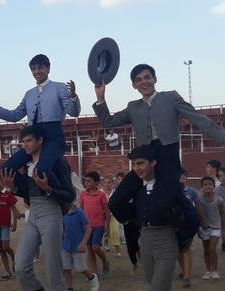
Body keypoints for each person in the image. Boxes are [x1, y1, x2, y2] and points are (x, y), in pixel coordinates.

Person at [93, 63, 225, 250]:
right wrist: (100, 97)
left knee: (165, 202)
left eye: (147, 77)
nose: (144, 82)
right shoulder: (133, 106)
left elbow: (197, 118)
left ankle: (185, 232)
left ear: (155, 79)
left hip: (168, 160)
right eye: (138, 80)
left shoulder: (170, 97)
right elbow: (108, 122)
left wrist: (222, 137)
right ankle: (146, 222)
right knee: (115, 202)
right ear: (134, 85)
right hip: (145, 161)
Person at [0, 124, 75, 291]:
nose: (26, 146)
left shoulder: (56, 161)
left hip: (51, 213)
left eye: (29, 141)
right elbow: (25, 193)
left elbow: (69, 195)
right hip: (33, 213)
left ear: (40, 141)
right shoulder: (25, 165)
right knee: (21, 266)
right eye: (23, 143)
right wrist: (12, 187)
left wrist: (48, 188)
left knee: (52, 268)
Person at [128, 145, 195, 291]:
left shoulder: (169, 186)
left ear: (153, 163)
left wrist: (182, 243)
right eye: (134, 164)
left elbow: (192, 217)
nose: (137, 168)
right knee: (159, 289)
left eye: (141, 163)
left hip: (167, 239)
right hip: (145, 238)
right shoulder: (136, 187)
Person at [0, 54, 81, 189]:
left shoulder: (59, 87)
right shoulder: (29, 94)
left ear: (48, 68)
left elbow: (74, 112)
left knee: (41, 169)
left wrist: (73, 97)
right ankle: (28, 195)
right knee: (5, 169)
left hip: (53, 137)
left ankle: (64, 194)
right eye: (33, 69)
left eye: (40, 68)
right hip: (33, 139)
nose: (36, 71)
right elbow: (15, 115)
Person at [62, 202, 99, 291]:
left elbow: (88, 228)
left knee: (80, 268)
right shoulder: (63, 213)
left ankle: (92, 277)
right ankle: (70, 289)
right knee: (66, 267)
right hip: (66, 245)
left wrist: (83, 243)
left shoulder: (80, 213)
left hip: (78, 245)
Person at [177, 168, 206, 287]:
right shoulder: (171, 191)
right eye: (180, 176)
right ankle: (183, 270)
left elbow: (197, 208)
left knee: (186, 249)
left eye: (184, 176)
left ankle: (187, 276)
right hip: (176, 225)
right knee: (178, 250)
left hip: (188, 224)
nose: (182, 178)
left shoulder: (192, 191)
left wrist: (202, 220)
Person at [80, 172, 110, 276]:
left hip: (98, 225)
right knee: (90, 250)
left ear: (96, 182)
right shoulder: (83, 194)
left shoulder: (101, 195)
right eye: (85, 180)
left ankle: (105, 261)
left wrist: (108, 226)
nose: (86, 183)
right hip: (87, 226)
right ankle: (94, 273)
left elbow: (106, 211)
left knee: (95, 247)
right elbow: (82, 211)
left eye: (89, 181)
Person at [199, 176, 225, 280]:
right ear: (202, 187)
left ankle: (214, 271)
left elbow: (222, 214)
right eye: (205, 184)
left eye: (210, 184)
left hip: (216, 227)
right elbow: (197, 214)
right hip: (204, 228)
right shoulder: (199, 200)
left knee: (212, 248)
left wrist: (223, 229)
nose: (208, 186)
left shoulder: (218, 199)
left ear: (214, 186)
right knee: (206, 250)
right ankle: (208, 271)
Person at [101, 174, 121, 258]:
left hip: (113, 215)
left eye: (109, 182)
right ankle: (106, 244)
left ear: (112, 183)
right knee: (105, 231)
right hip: (102, 215)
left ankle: (117, 251)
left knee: (114, 231)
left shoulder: (116, 192)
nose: (107, 184)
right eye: (105, 182)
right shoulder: (100, 192)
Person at [215, 166, 225, 253]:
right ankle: (224, 243)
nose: (223, 177)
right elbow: (220, 202)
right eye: (221, 175)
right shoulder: (217, 190)